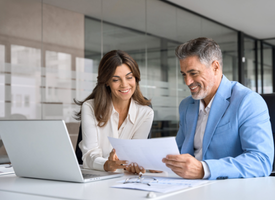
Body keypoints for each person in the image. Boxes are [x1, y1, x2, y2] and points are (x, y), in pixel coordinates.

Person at [162, 37, 274, 180]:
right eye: (184, 74)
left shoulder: (248, 101)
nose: (187, 82)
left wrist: (205, 169)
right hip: (187, 186)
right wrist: (151, 164)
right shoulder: (186, 105)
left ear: (215, 67)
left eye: (193, 73)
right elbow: (176, 152)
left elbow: (261, 161)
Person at [74, 50, 154, 173]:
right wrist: (107, 164)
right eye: (116, 79)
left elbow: (134, 157)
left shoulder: (146, 113)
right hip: (94, 178)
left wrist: (142, 164)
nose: (124, 85)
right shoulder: (90, 107)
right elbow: (88, 156)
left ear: (136, 78)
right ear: (107, 81)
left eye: (129, 77)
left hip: (125, 179)